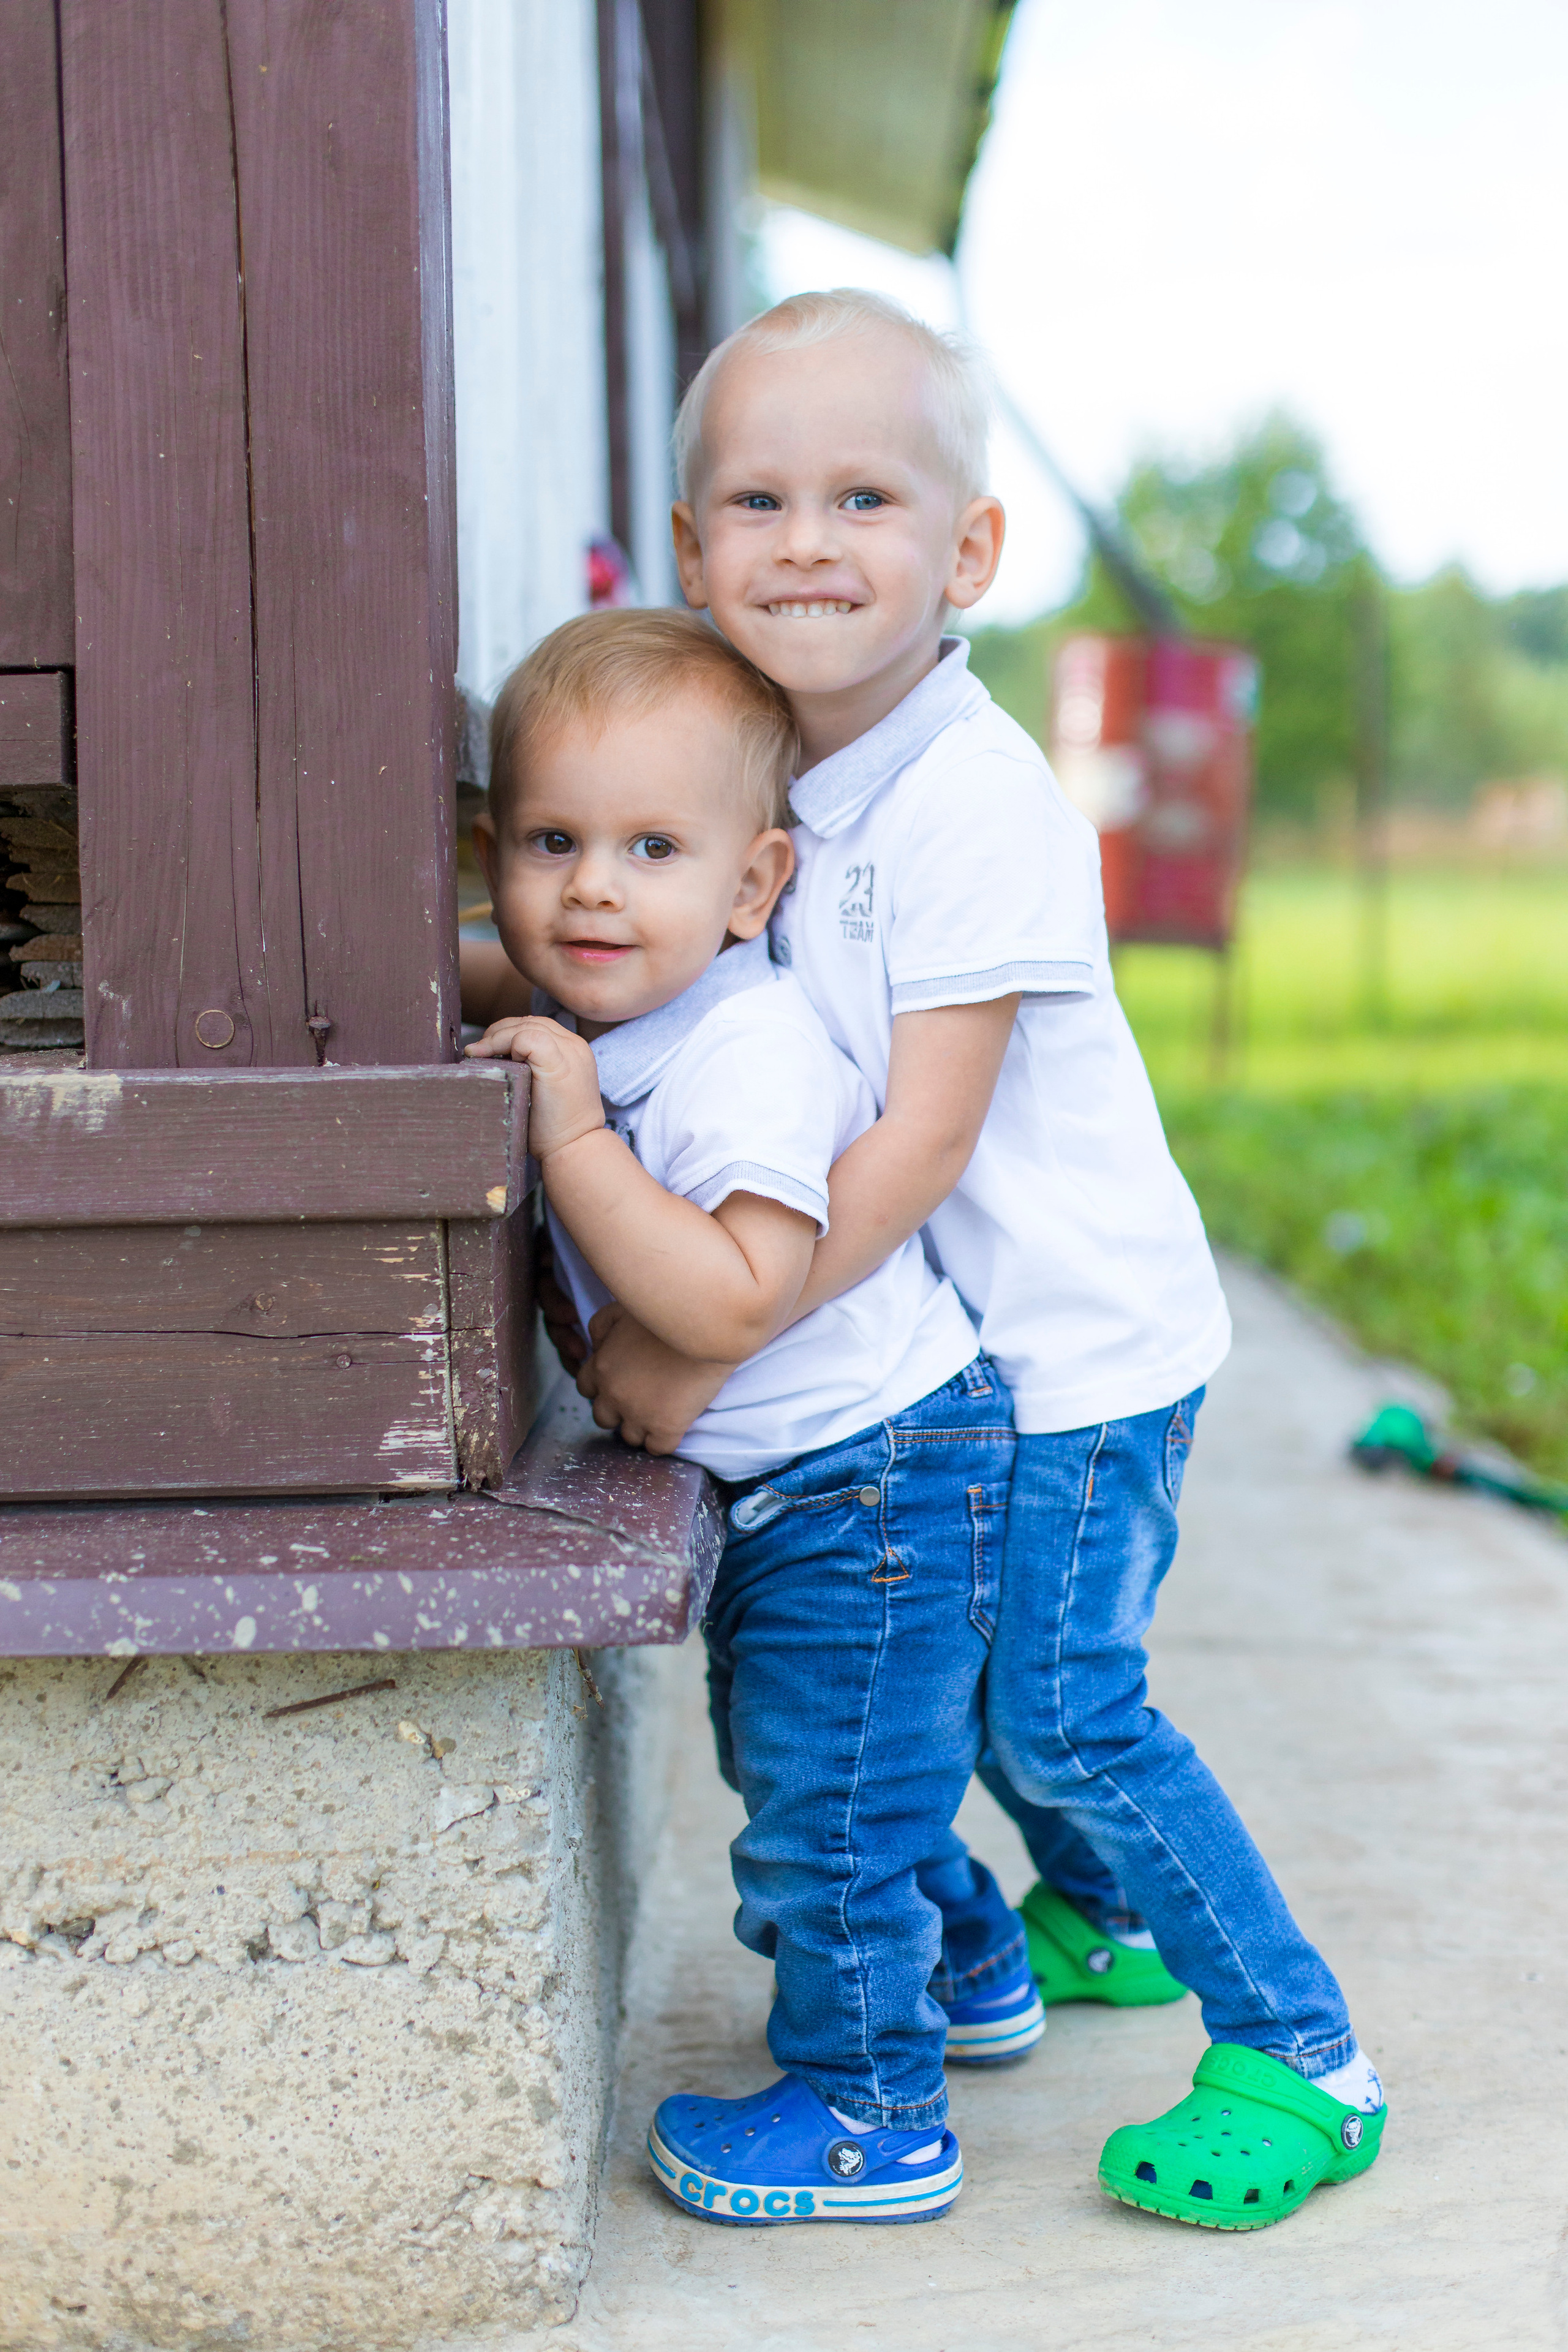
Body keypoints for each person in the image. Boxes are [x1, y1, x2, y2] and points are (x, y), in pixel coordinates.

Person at [570, 289, 1388, 2231]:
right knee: (986, 1664)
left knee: (1059, 1707)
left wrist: (715, 1331)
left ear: (970, 553)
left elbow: (917, 1137)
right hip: (964, 1348)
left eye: (866, 496)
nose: (808, 543)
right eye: (756, 501)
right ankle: (1086, 1920)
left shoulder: (968, 796)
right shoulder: (778, 785)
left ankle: (1303, 2047)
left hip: (1081, 1350)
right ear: (692, 551)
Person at [463, 606, 1027, 2226]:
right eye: (554, 844)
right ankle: (972, 1963)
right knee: (833, 1768)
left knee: (822, 1818)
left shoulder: (742, 1049)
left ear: (754, 884)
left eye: (653, 847)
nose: (592, 890)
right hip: (822, 1484)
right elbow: (515, 949)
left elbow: (729, 1298)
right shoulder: (632, 991)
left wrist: (571, 1135)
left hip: (880, 1483)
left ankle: (872, 2115)